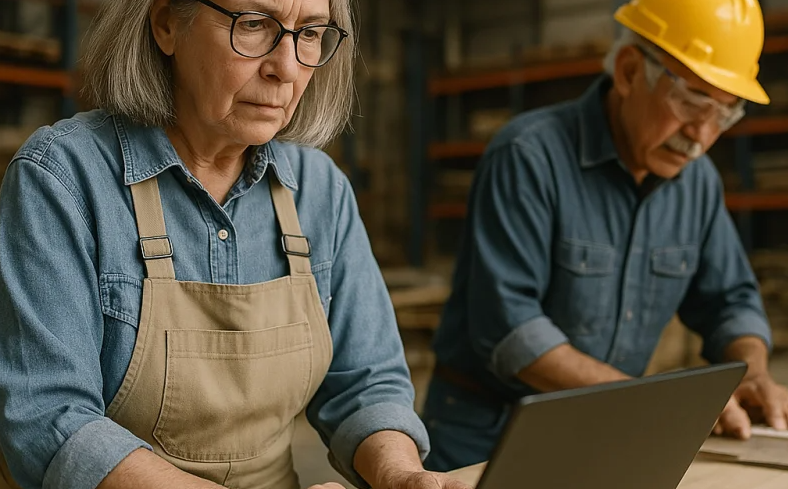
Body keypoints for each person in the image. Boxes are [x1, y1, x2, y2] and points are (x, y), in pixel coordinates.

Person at [0, 1, 471, 488]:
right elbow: (50, 418)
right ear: (166, 25)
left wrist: (400, 474)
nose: (285, 69)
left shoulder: (319, 189)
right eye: (254, 26)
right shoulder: (62, 178)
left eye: (308, 34)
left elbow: (367, 383)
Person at [421, 0, 788, 473]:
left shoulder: (697, 182)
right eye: (692, 102)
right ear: (631, 71)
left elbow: (731, 301)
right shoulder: (529, 156)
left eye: (724, 113)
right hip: (487, 432)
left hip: (610, 427)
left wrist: (753, 372)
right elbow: (511, 332)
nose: (701, 135)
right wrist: (654, 407)